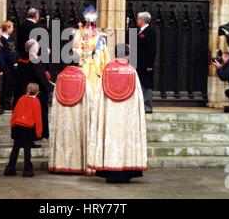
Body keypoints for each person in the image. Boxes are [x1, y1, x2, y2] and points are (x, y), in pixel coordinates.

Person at [87, 44, 147, 183]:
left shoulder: (107, 71)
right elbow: (137, 97)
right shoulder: (132, 72)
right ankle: (126, 173)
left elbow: (99, 95)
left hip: (109, 118)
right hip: (126, 118)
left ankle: (109, 172)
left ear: (115, 53)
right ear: (127, 54)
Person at [48, 55, 94, 175]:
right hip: (79, 119)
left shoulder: (60, 78)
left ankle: (59, 164)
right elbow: (90, 99)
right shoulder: (84, 79)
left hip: (63, 118)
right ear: (79, 64)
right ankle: (79, 165)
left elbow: (55, 99)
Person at [4, 83, 42, 177]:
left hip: (18, 125)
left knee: (15, 148)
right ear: (37, 92)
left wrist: (12, 124)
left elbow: (15, 112)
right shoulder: (36, 101)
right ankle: (27, 170)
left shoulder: (21, 98)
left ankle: (10, 169)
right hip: (27, 127)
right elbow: (38, 118)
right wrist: (39, 132)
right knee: (27, 149)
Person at [72, 5, 109, 92]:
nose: (92, 22)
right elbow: (75, 48)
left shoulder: (100, 36)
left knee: (96, 90)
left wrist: (105, 67)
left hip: (97, 67)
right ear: (85, 19)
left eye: (93, 20)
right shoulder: (79, 33)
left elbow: (105, 52)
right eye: (89, 19)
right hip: (85, 65)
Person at [135, 11, 157, 114]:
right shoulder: (138, 31)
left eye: (138, 18)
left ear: (142, 20)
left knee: (146, 85)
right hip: (138, 63)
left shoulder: (150, 31)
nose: (137, 20)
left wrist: (150, 65)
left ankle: (147, 107)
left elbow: (152, 49)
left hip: (146, 64)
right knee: (140, 84)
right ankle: (140, 106)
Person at [0, 20, 18, 110]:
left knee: (11, 84)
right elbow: (6, 53)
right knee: (6, 84)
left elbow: (14, 51)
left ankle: (8, 101)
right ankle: (3, 102)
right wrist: (13, 62)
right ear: (7, 28)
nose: (13, 29)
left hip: (13, 65)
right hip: (7, 65)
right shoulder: (2, 39)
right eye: (11, 27)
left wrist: (16, 61)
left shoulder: (11, 38)